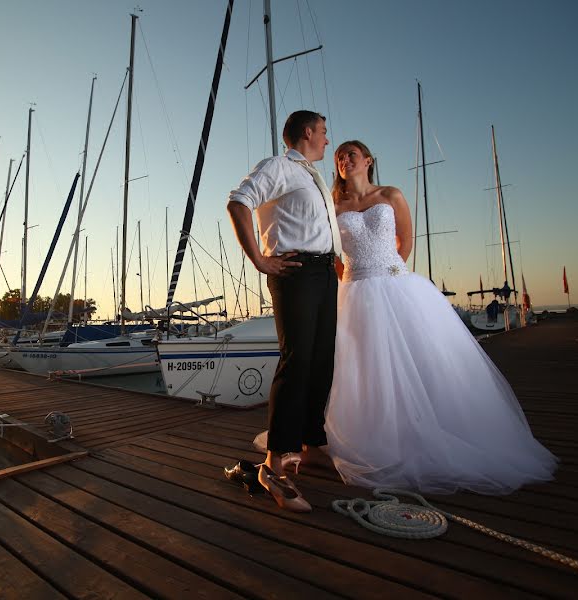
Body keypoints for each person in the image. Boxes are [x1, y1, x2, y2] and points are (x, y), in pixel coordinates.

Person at [321, 140, 557, 494]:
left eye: (351, 153)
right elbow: (330, 252)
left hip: (396, 285)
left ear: (368, 160)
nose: (344, 158)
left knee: (423, 359)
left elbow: (405, 239)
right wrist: (349, 275)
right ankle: (377, 435)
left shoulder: (391, 194)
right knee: (366, 366)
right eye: (340, 155)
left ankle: (431, 427)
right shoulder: (333, 204)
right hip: (355, 289)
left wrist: (390, 268)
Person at [227, 110, 340, 512]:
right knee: (297, 361)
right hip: (296, 273)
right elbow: (239, 202)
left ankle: (311, 444)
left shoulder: (312, 176)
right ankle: (274, 463)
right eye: (324, 132)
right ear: (308, 132)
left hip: (325, 274)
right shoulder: (280, 166)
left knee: (322, 361)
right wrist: (258, 259)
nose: (328, 139)